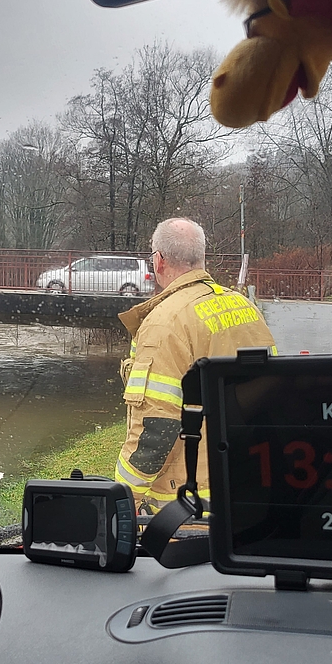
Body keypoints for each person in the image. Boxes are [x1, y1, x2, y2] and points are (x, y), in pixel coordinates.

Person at [115, 217, 277, 513]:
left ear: (159, 261)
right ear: (201, 258)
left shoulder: (164, 323)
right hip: (249, 485)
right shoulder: (245, 308)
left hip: (188, 508)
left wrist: (125, 497)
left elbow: (157, 429)